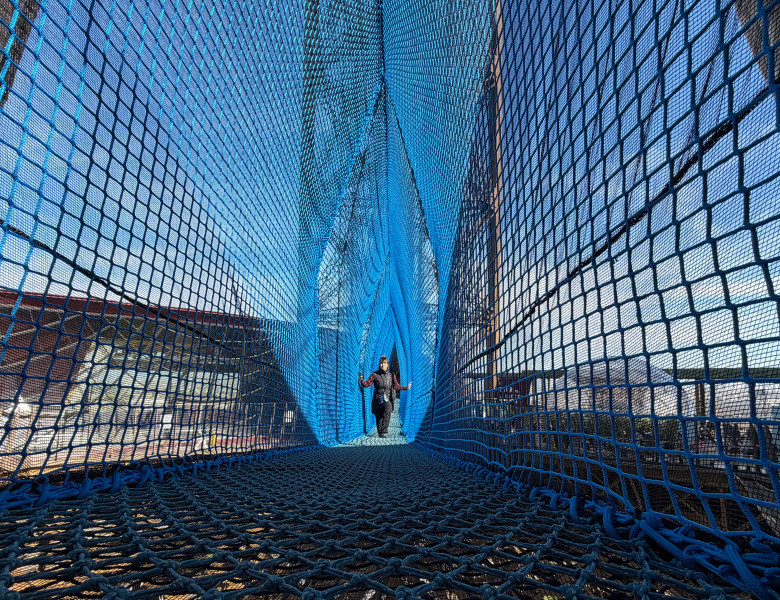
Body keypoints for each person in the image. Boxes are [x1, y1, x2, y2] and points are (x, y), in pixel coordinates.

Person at [359, 356, 412, 438]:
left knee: (387, 411)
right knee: (379, 415)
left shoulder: (391, 375)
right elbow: (367, 384)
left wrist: (406, 388)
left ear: (387, 365)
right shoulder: (374, 374)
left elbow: (396, 386)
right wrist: (362, 380)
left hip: (387, 399)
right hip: (377, 399)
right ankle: (380, 432)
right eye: (380, 363)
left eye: (384, 363)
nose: (382, 365)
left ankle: (383, 431)